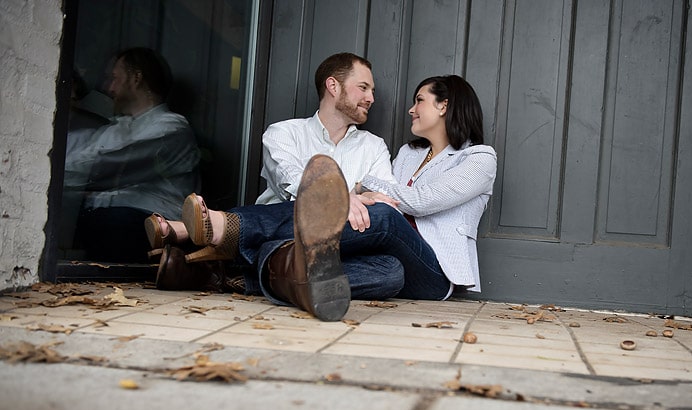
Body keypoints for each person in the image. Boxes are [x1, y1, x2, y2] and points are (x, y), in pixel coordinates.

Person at [154, 75, 496, 321]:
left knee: (380, 216)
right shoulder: (408, 153)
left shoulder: (479, 159)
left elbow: (420, 201)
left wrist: (364, 186)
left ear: (444, 105)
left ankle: (225, 228)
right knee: (387, 274)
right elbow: (392, 197)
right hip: (394, 259)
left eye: (419, 100)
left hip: (434, 271)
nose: (411, 109)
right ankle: (234, 274)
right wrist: (366, 196)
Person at [149, 51, 401, 292]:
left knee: (392, 272)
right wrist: (349, 195)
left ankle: (220, 257)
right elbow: (292, 183)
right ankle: (237, 259)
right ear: (333, 86)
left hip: (341, 246)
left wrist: (350, 197)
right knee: (307, 209)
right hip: (287, 240)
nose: (371, 98)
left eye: (372, 91)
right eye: (363, 87)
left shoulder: (373, 146)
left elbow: (386, 202)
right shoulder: (283, 133)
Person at [65, 47, 200, 262]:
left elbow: (116, 166)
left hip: (147, 221)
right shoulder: (113, 129)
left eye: (114, 78)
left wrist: (60, 178)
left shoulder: (172, 128)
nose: (109, 88)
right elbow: (80, 163)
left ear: (136, 79)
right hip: (105, 220)